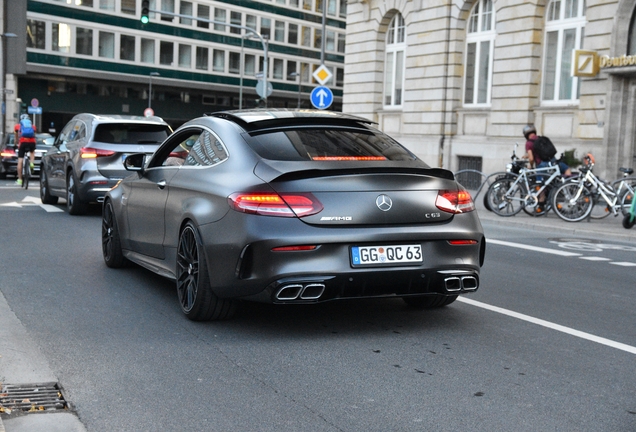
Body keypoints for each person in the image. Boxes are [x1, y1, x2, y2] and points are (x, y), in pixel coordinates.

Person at [522, 125, 572, 214]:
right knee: (566, 169)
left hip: (542, 165)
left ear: (525, 134)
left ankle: (542, 201)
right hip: (553, 162)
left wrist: (531, 165)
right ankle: (566, 188)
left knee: (540, 185)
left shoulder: (529, 143)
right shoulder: (541, 139)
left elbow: (531, 158)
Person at [14, 114, 37, 186]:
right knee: (32, 152)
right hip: (32, 142)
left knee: (20, 160)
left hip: (23, 142)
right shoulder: (32, 126)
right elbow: (34, 135)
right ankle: (32, 163)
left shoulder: (17, 126)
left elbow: (16, 137)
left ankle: (20, 179)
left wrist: (16, 143)